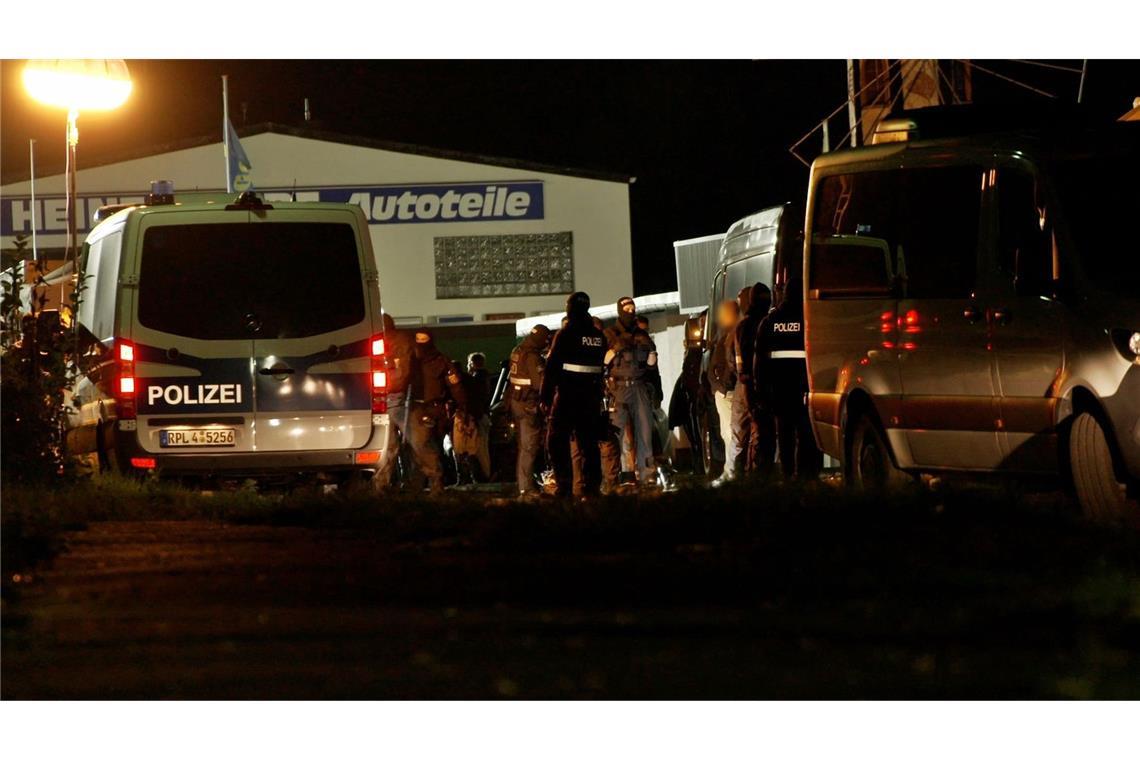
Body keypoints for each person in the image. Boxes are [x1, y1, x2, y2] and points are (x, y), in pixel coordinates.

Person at [755, 276, 822, 481]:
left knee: (785, 434)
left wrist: (762, 392)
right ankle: (807, 475)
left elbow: (760, 362)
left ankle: (787, 473)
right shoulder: (809, 319)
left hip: (779, 389)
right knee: (807, 432)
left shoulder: (770, 322)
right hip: (805, 387)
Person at [541, 292, 607, 498]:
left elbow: (552, 367)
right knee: (589, 443)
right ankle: (592, 488)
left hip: (568, 396)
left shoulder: (566, 333)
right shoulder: (598, 336)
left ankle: (564, 486)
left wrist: (545, 396)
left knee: (556, 441)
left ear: (570, 308)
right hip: (591, 396)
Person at [601, 297, 659, 488]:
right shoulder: (610, 333)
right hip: (618, 388)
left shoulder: (641, 333)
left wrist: (651, 350)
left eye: (633, 307)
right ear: (619, 310)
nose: (630, 311)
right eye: (626, 308)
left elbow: (651, 364)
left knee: (644, 431)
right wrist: (617, 348)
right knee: (613, 434)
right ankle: (610, 477)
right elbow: (603, 361)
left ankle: (646, 475)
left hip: (639, 386)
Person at [407, 330, 468, 495]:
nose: (420, 344)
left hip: (435, 409)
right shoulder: (410, 360)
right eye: (417, 339)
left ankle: (434, 484)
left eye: (423, 340)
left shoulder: (441, 361)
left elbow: (455, 386)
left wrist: (462, 406)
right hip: (415, 408)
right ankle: (418, 486)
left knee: (427, 447)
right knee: (418, 447)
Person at [734, 282, 776, 475]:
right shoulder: (753, 324)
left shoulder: (755, 323)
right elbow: (743, 359)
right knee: (759, 430)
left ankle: (753, 471)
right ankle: (756, 472)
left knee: (759, 430)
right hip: (753, 385)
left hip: (756, 384)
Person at [507, 324, 550, 498]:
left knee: (524, 446)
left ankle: (525, 484)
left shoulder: (518, 350)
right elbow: (539, 384)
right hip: (528, 404)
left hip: (517, 403)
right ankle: (526, 488)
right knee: (529, 447)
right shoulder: (533, 356)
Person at [377, 314, 416, 488]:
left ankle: (383, 484)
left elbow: (401, 372)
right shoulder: (404, 340)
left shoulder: (388, 342)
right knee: (411, 444)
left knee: (391, 446)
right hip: (398, 398)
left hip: (393, 399)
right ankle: (414, 482)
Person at [708, 300, 740, 486]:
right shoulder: (724, 336)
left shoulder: (735, 334)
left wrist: (721, 386)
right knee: (727, 432)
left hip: (731, 392)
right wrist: (718, 386)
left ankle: (732, 472)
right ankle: (731, 470)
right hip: (724, 392)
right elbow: (714, 366)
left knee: (732, 432)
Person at [450, 359, 490, 485]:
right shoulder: (471, 380)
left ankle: (466, 478)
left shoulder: (459, 382)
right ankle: (474, 477)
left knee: (461, 449)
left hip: (464, 418)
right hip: (471, 417)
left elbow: (463, 400)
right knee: (471, 450)